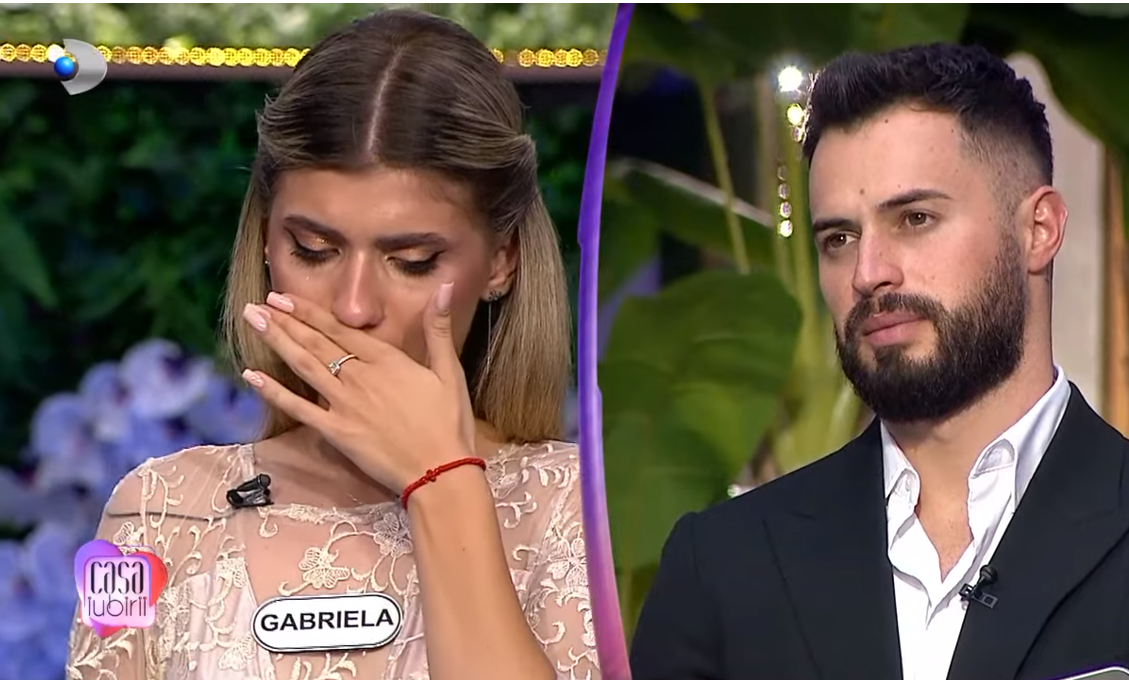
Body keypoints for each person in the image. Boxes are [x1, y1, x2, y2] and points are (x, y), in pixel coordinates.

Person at [65, 9, 598, 680]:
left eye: (411, 262)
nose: (353, 306)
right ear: (266, 241)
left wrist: (442, 483)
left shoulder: (584, 512)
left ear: (501, 261)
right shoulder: (149, 513)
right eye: (313, 250)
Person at [629, 42, 1129, 680]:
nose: (867, 273)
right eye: (839, 238)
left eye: (915, 218)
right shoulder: (723, 566)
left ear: (1039, 230)